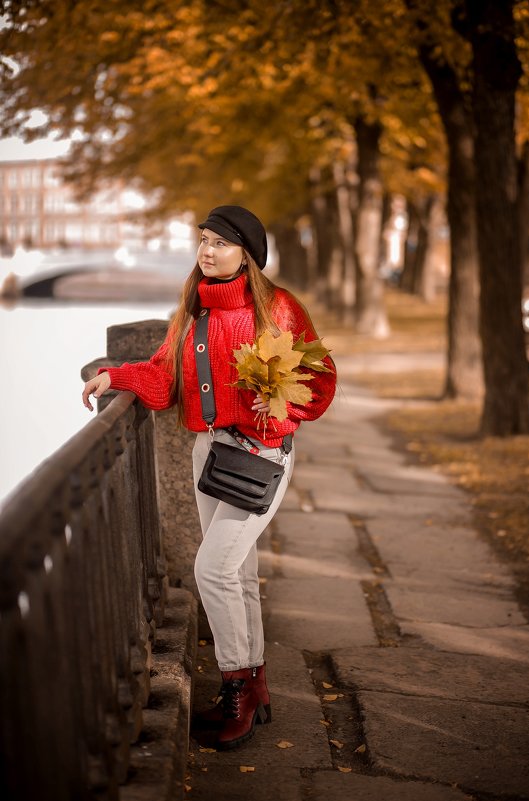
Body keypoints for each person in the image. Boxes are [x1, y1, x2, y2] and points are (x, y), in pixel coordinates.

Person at [82, 205, 336, 750]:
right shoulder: (194, 311)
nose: (207, 251)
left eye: (220, 242)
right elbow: (163, 374)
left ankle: (235, 689)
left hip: (264, 454)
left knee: (213, 570)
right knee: (237, 573)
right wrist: (115, 376)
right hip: (210, 451)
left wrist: (284, 411)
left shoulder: (279, 308)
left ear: (247, 253)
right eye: (202, 240)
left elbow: (319, 377)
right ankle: (256, 684)